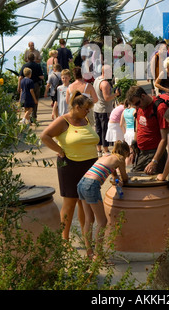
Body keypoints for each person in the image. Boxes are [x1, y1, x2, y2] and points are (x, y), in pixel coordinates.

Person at [40, 92, 99, 240]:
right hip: (70, 165)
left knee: (85, 203)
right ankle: (64, 239)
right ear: (77, 107)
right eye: (86, 109)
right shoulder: (63, 121)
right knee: (70, 202)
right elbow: (44, 136)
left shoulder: (85, 119)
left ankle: (86, 239)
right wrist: (59, 150)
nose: (88, 111)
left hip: (89, 165)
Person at [77, 140, 129, 258]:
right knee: (102, 221)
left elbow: (113, 174)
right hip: (91, 185)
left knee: (89, 219)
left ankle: (89, 252)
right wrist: (123, 180)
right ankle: (99, 255)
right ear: (126, 152)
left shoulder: (107, 155)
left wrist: (116, 179)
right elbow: (125, 178)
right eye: (128, 155)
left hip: (82, 183)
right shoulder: (120, 159)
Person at [126, 85, 169, 174]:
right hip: (141, 152)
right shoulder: (139, 107)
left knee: (153, 184)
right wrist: (134, 147)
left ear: (143, 96)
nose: (137, 106)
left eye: (137, 103)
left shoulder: (160, 108)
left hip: (154, 153)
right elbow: (138, 126)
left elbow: (164, 138)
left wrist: (154, 161)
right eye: (135, 105)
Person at [93, 65, 121, 156]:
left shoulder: (97, 80)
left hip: (96, 108)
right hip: (104, 110)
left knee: (98, 129)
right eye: (110, 72)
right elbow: (107, 98)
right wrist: (116, 94)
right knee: (104, 130)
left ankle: (99, 150)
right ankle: (105, 150)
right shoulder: (105, 84)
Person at [18, 52, 44, 121]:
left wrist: (19, 87)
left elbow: (20, 77)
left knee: (26, 101)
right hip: (35, 85)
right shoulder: (37, 66)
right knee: (35, 100)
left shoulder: (24, 66)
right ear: (34, 58)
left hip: (26, 85)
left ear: (27, 59)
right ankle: (34, 116)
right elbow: (41, 77)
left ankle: (27, 117)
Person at [120, 99, 136, 164]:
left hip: (127, 133)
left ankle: (127, 167)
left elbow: (121, 124)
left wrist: (125, 133)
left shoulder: (124, 111)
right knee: (134, 152)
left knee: (128, 152)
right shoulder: (135, 111)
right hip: (134, 132)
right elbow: (136, 124)